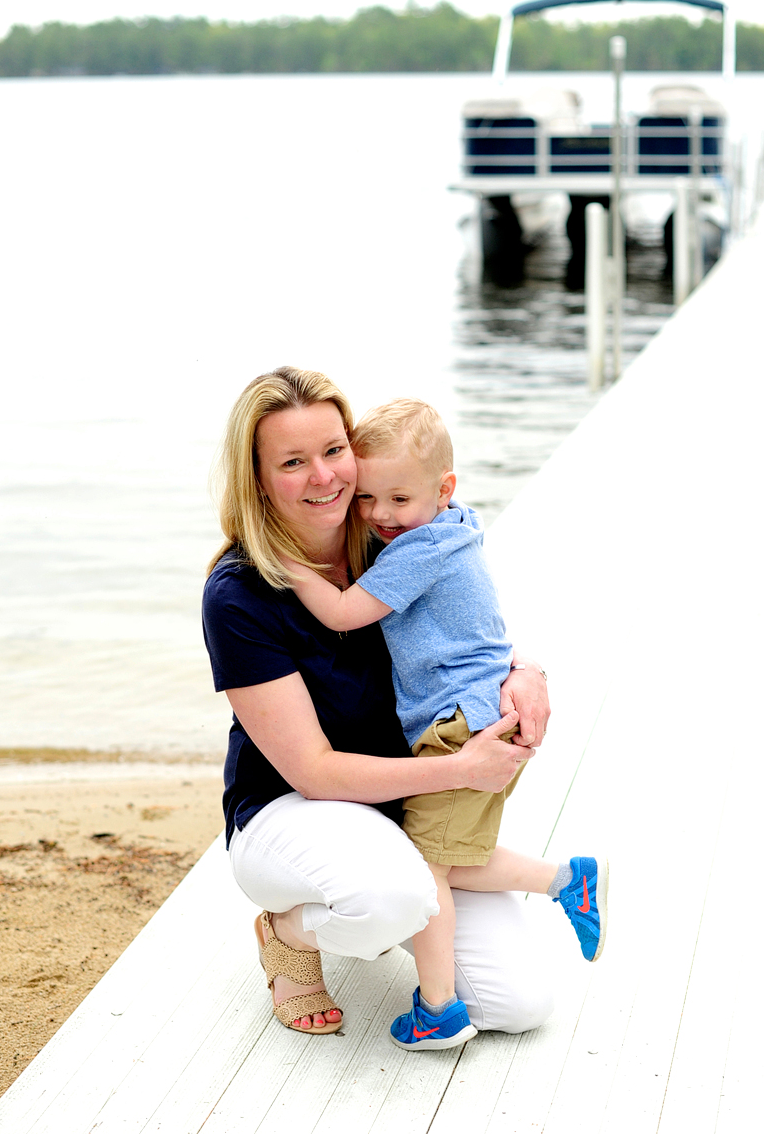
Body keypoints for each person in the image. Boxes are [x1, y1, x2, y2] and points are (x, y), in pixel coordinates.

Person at [201, 366, 553, 1041]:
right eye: (293, 461)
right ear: (259, 479)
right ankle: (287, 930)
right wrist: (458, 769)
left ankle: (383, 906)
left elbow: (465, 630)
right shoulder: (239, 595)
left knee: (520, 1002)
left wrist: (526, 667)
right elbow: (314, 771)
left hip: (397, 808)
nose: (324, 476)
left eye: (334, 451)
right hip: (289, 809)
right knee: (395, 897)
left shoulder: (389, 533)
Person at [283, 398, 608, 1050]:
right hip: (479, 713)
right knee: (448, 857)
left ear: (445, 488)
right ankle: (564, 880)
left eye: (400, 498)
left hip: (460, 727)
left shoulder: (419, 546)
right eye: (369, 497)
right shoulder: (450, 526)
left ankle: (438, 1005)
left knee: (424, 870)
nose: (380, 516)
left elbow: (346, 613)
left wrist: (287, 567)